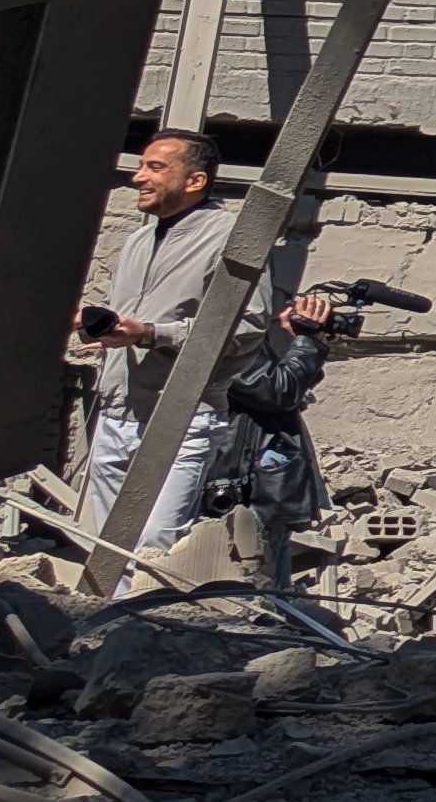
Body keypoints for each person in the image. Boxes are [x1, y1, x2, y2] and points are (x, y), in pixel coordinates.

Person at [70, 127, 337, 549]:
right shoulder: (138, 241)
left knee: (155, 543)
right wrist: (98, 326)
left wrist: (152, 334)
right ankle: (120, 618)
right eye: (140, 166)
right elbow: (132, 322)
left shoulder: (231, 238)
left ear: (195, 180)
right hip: (117, 413)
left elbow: (247, 328)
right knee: (108, 545)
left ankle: (146, 616)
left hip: (180, 416)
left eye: (155, 168)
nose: (138, 177)